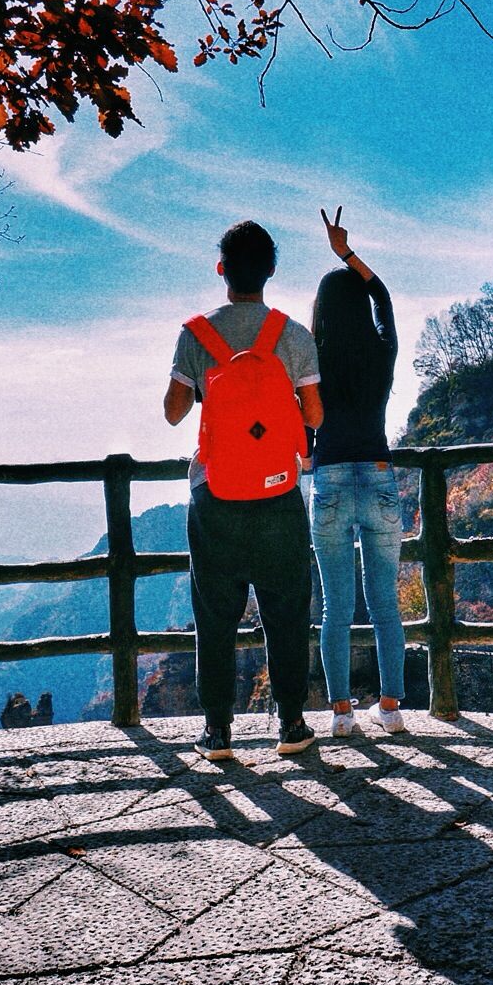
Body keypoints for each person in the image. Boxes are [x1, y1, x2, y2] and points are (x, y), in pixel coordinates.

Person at [164, 220, 324, 759]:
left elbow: (172, 412)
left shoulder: (195, 335)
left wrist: (212, 391)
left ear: (222, 270)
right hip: (279, 495)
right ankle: (293, 724)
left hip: (216, 496)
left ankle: (217, 732)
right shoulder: (294, 335)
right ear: (272, 270)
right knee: (285, 608)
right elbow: (315, 415)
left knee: (214, 613)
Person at [308, 207, 406, 737]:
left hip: (329, 479)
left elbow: (306, 424)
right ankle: (389, 709)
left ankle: (343, 715)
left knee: (336, 608)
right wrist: (346, 253)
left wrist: (307, 453)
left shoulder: (313, 357)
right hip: (378, 471)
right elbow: (384, 298)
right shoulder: (382, 351)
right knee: (385, 601)